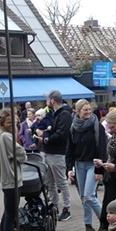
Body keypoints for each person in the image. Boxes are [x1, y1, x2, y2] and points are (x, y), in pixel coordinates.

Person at [0, 108, 30, 231]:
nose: (12, 124)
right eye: (9, 122)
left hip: (5, 179)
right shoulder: (8, 137)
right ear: (2, 123)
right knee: (11, 216)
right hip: (12, 179)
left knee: (7, 213)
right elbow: (22, 155)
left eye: (14, 121)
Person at [66, 99, 107, 231]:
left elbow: (103, 148)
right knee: (84, 197)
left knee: (89, 195)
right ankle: (88, 226)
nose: (88, 112)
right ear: (77, 111)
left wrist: (100, 170)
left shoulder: (97, 126)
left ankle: (105, 222)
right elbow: (69, 149)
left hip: (93, 164)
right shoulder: (73, 127)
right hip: (79, 164)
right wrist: (69, 168)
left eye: (89, 109)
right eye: (85, 109)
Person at [39, 90, 73, 221]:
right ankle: (54, 205)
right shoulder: (55, 113)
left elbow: (61, 134)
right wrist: (45, 134)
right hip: (50, 152)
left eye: (48, 99)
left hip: (57, 153)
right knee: (50, 182)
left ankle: (67, 208)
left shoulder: (64, 114)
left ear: (52, 100)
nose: (47, 101)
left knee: (61, 182)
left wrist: (47, 139)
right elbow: (51, 129)